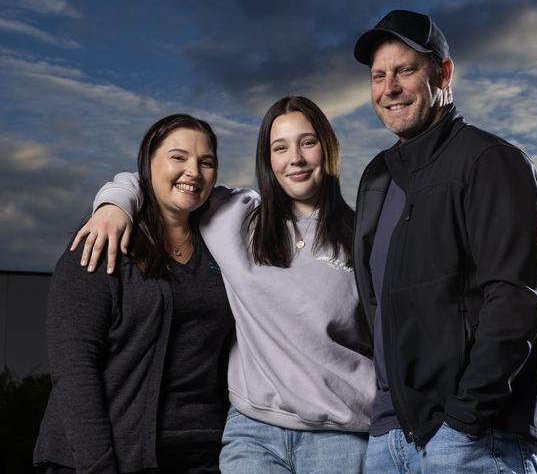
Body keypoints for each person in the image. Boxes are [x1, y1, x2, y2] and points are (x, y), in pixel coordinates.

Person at [71, 96, 375, 473]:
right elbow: (165, 181)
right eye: (280, 147)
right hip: (252, 434)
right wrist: (114, 205)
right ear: (268, 160)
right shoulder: (238, 216)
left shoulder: (365, 238)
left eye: (307, 142)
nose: (294, 158)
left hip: (340, 435)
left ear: (328, 149)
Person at [352, 9, 537, 473]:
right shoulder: (377, 177)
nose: (389, 88)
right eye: (378, 76)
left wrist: (462, 422)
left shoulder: (491, 161)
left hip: (470, 441)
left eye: (404, 70)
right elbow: (377, 307)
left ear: (443, 73)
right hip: (388, 440)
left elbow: (517, 303)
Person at [33, 114, 234, 473]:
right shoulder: (103, 239)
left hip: (204, 454)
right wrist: (98, 465)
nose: (193, 171)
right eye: (178, 157)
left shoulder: (221, 245)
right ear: (147, 164)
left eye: (207, 162)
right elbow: (74, 367)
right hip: (107, 457)